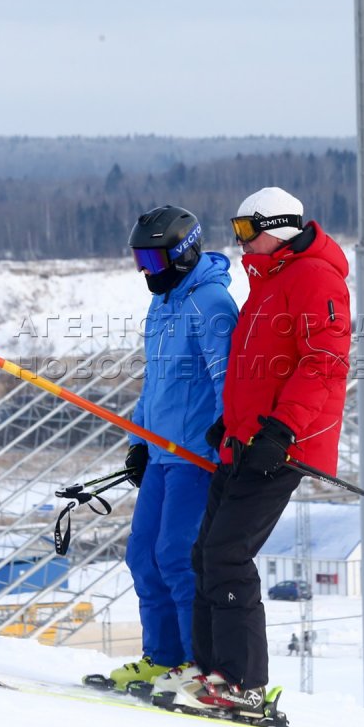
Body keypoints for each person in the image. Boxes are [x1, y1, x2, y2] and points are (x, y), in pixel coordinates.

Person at [167, 186, 351, 714]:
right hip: (244, 441)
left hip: (279, 447)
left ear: (280, 228)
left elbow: (323, 362)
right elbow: (259, 363)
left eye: (249, 231)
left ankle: (243, 684)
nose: (242, 242)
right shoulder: (270, 279)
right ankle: (211, 674)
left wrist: (281, 430)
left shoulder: (314, 277)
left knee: (228, 554)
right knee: (205, 554)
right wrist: (232, 421)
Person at [93, 205, 238, 692]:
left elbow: (227, 382)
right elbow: (156, 384)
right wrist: (138, 443)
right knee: (142, 555)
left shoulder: (211, 302)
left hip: (196, 457)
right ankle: (163, 656)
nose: (143, 272)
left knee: (177, 556)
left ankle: (198, 666)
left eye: (152, 262)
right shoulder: (165, 302)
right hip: (159, 453)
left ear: (182, 253)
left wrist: (226, 442)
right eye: (139, 261)